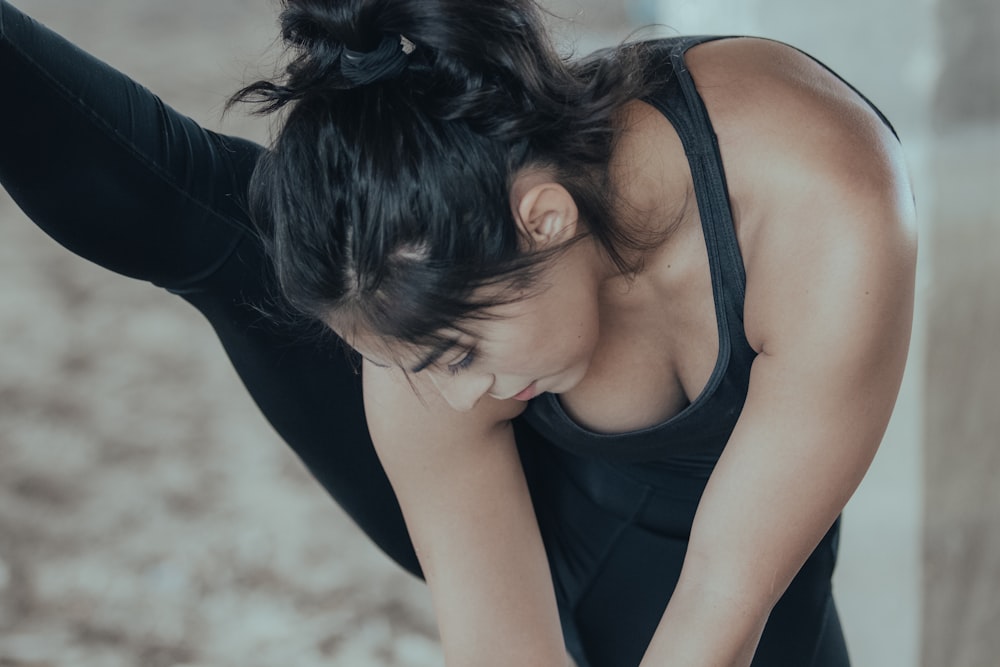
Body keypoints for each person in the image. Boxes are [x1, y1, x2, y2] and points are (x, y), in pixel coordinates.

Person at [0, 0, 916, 665]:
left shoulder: (827, 205)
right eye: (416, 360)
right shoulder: (431, 337)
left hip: (694, 561)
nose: (452, 386)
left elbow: (721, 606)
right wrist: (429, 353)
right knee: (221, 227)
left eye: (455, 353)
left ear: (546, 215)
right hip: (489, 493)